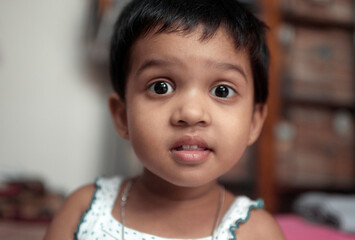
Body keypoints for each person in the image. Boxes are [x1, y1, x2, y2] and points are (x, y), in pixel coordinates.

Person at [45, 0, 285, 239]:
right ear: (121, 116)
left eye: (222, 91)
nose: (192, 113)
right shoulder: (83, 210)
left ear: (254, 122)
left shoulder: (257, 232)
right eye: (161, 87)